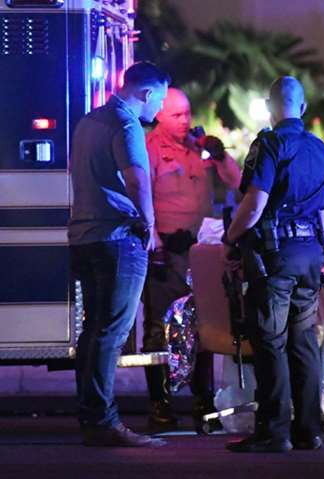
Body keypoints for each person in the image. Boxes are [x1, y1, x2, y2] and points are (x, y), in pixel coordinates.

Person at [223, 76, 324, 453]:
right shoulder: (321, 149)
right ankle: (309, 429)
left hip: (276, 256)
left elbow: (254, 205)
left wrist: (230, 239)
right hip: (310, 255)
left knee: (270, 342)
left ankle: (274, 431)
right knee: (303, 342)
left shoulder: (270, 143)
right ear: (303, 108)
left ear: (271, 107)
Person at [68, 61, 169, 447]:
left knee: (94, 331)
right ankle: (104, 422)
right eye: (158, 99)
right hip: (118, 237)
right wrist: (150, 225)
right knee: (111, 332)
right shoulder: (127, 125)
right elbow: (137, 179)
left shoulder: (90, 121)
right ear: (144, 93)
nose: (158, 108)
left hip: (85, 238)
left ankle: (92, 417)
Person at [142, 87, 241, 431]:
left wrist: (219, 154)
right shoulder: (149, 148)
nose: (185, 121)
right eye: (176, 115)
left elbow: (237, 182)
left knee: (206, 325)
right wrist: (154, 240)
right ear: (158, 115)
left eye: (187, 113)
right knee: (160, 327)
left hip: (201, 250)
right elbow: (139, 196)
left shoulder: (198, 148)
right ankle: (161, 405)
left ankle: (204, 404)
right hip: (166, 249)